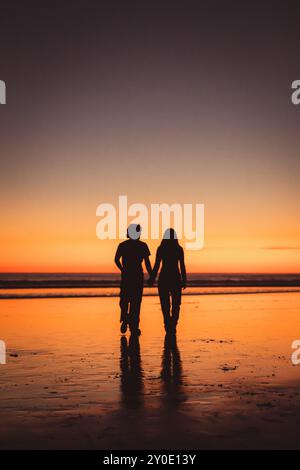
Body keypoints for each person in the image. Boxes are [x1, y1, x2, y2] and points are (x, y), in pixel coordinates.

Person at [115, 224, 152, 335]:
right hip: (136, 276)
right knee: (135, 302)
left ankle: (130, 322)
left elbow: (116, 260)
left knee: (125, 300)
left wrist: (122, 269)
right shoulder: (142, 245)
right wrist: (152, 275)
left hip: (127, 276)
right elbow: (147, 262)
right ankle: (131, 324)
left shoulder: (123, 245)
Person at [149, 228, 186, 334]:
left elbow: (157, 265)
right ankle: (173, 324)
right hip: (175, 277)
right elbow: (182, 265)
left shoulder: (161, 248)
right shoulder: (178, 249)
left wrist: (152, 278)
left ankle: (167, 323)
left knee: (165, 304)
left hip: (164, 278)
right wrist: (184, 279)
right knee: (176, 303)